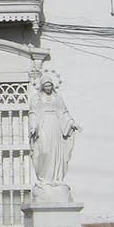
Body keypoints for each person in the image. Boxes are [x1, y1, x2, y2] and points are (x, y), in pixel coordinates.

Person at [28, 68, 80, 201]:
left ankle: (55, 179)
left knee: (55, 153)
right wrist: (33, 126)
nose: (48, 88)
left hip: (56, 126)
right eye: (45, 86)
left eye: (50, 85)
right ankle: (43, 180)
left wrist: (71, 123)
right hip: (43, 126)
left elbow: (64, 112)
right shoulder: (37, 99)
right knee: (44, 151)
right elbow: (33, 113)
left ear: (52, 85)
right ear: (42, 87)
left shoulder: (58, 98)